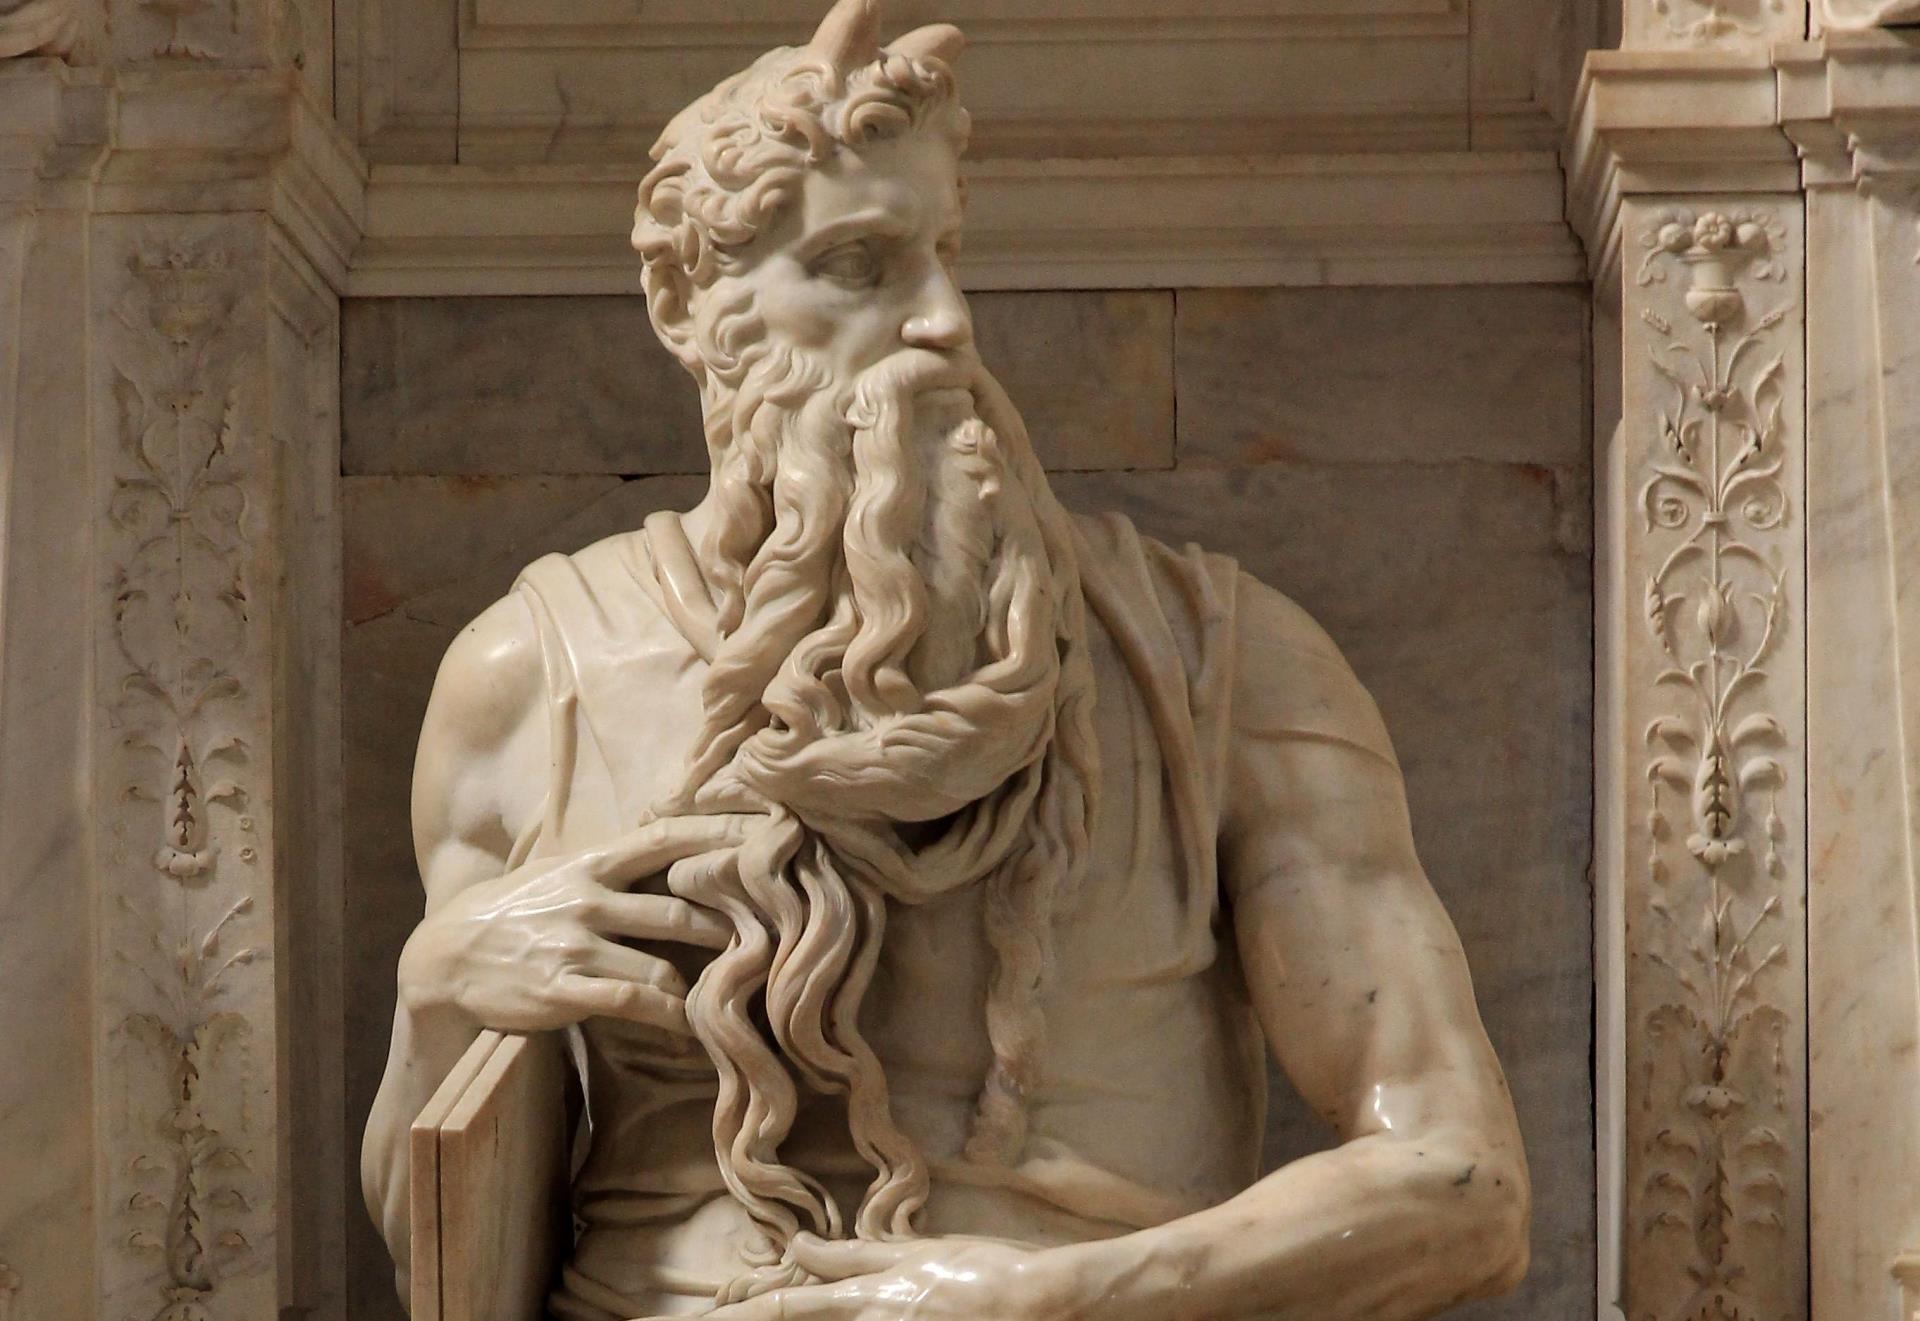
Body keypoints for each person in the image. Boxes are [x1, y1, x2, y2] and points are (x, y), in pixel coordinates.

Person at [362, 2, 1530, 1316]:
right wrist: (438, 997)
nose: (944, 324)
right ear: (688, 304)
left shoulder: (1223, 660)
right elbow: (450, 1264)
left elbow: (1464, 1182)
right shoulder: (531, 679)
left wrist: (1046, 1303)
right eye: (860, 265)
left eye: (946, 255)